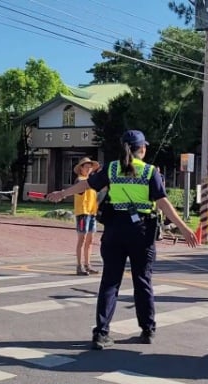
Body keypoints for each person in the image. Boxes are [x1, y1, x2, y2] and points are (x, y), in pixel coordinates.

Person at [46, 130, 198, 350]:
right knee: (142, 280)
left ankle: (101, 333)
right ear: (142, 149)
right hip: (142, 231)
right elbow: (163, 202)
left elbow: (86, 185)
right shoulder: (149, 171)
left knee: (110, 281)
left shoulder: (111, 168)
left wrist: (63, 193)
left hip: (115, 228)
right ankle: (147, 330)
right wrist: (183, 228)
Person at [73, 157, 102, 276]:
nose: (89, 168)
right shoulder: (80, 180)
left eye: (90, 166)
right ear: (81, 168)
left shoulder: (91, 180)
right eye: (86, 166)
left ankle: (87, 264)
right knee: (82, 239)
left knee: (90, 240)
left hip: (92, 212)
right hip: (82, 212)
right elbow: (83, 187)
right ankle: (79, 265)